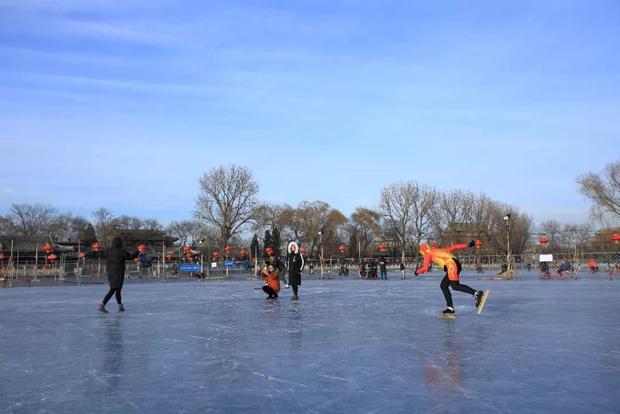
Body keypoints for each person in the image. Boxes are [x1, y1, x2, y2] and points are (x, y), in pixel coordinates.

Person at [414, 240, 483, 315]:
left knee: (455, 286)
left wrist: (417, 272)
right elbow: (454, 247)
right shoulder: (437, 250)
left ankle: (476, 293)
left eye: (422, 253)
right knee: (444, 286)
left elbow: (425, 267)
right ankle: (450, 308)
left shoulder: (427, 253)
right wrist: (467, 245)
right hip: (455, 264)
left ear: (422, 251)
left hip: (451, 265)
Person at [99, 237, 139, 313]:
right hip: (119, 272)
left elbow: (99, 253)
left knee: (117, 289)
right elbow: (131, 257)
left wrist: (86, 254)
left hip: (110, 272)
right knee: (113, 289)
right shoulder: (122, 251)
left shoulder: (108, 250)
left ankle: (120, 306)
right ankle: (102, 305)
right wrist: (137, 251)